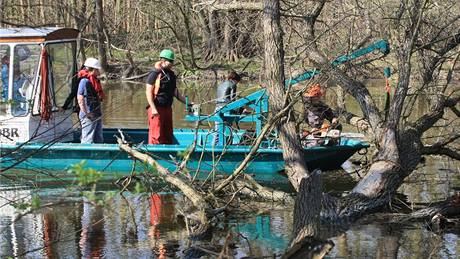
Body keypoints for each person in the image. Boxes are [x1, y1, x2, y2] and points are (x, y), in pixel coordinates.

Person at [146, 49, 190, 144]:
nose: (172, 64)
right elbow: (148, 91)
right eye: (170, 61)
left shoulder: (171, 74)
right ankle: (154, 154)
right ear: (163, 61)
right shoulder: (154, 73)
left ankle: (167, 154)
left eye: (172, 61)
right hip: (156, 108)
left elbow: (174, 91)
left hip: (167, 109)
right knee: (156, 136)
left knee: (167, 134)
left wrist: (187, 102)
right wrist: (153, 108)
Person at [77, 57, 104, 144]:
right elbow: (80, 98)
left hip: (96, 114)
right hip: (89, 115)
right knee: (87, 140)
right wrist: (86, 113)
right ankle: (85, 156)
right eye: (97, 70)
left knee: (98, 139)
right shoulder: (84, 81)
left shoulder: (94, 80)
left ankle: (97, 156)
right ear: (92, 70)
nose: (99, 72)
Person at [214, 70, 242, 144]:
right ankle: (228, 145)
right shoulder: (233, 84)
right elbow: (233, 100)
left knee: (218, 131)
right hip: (226, 109)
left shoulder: (221, 84)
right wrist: (239, 110)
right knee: (228, 129)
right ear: (235, 80)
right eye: (237, 82)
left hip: (217, 108)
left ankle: (214, 145)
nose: (237, 84)